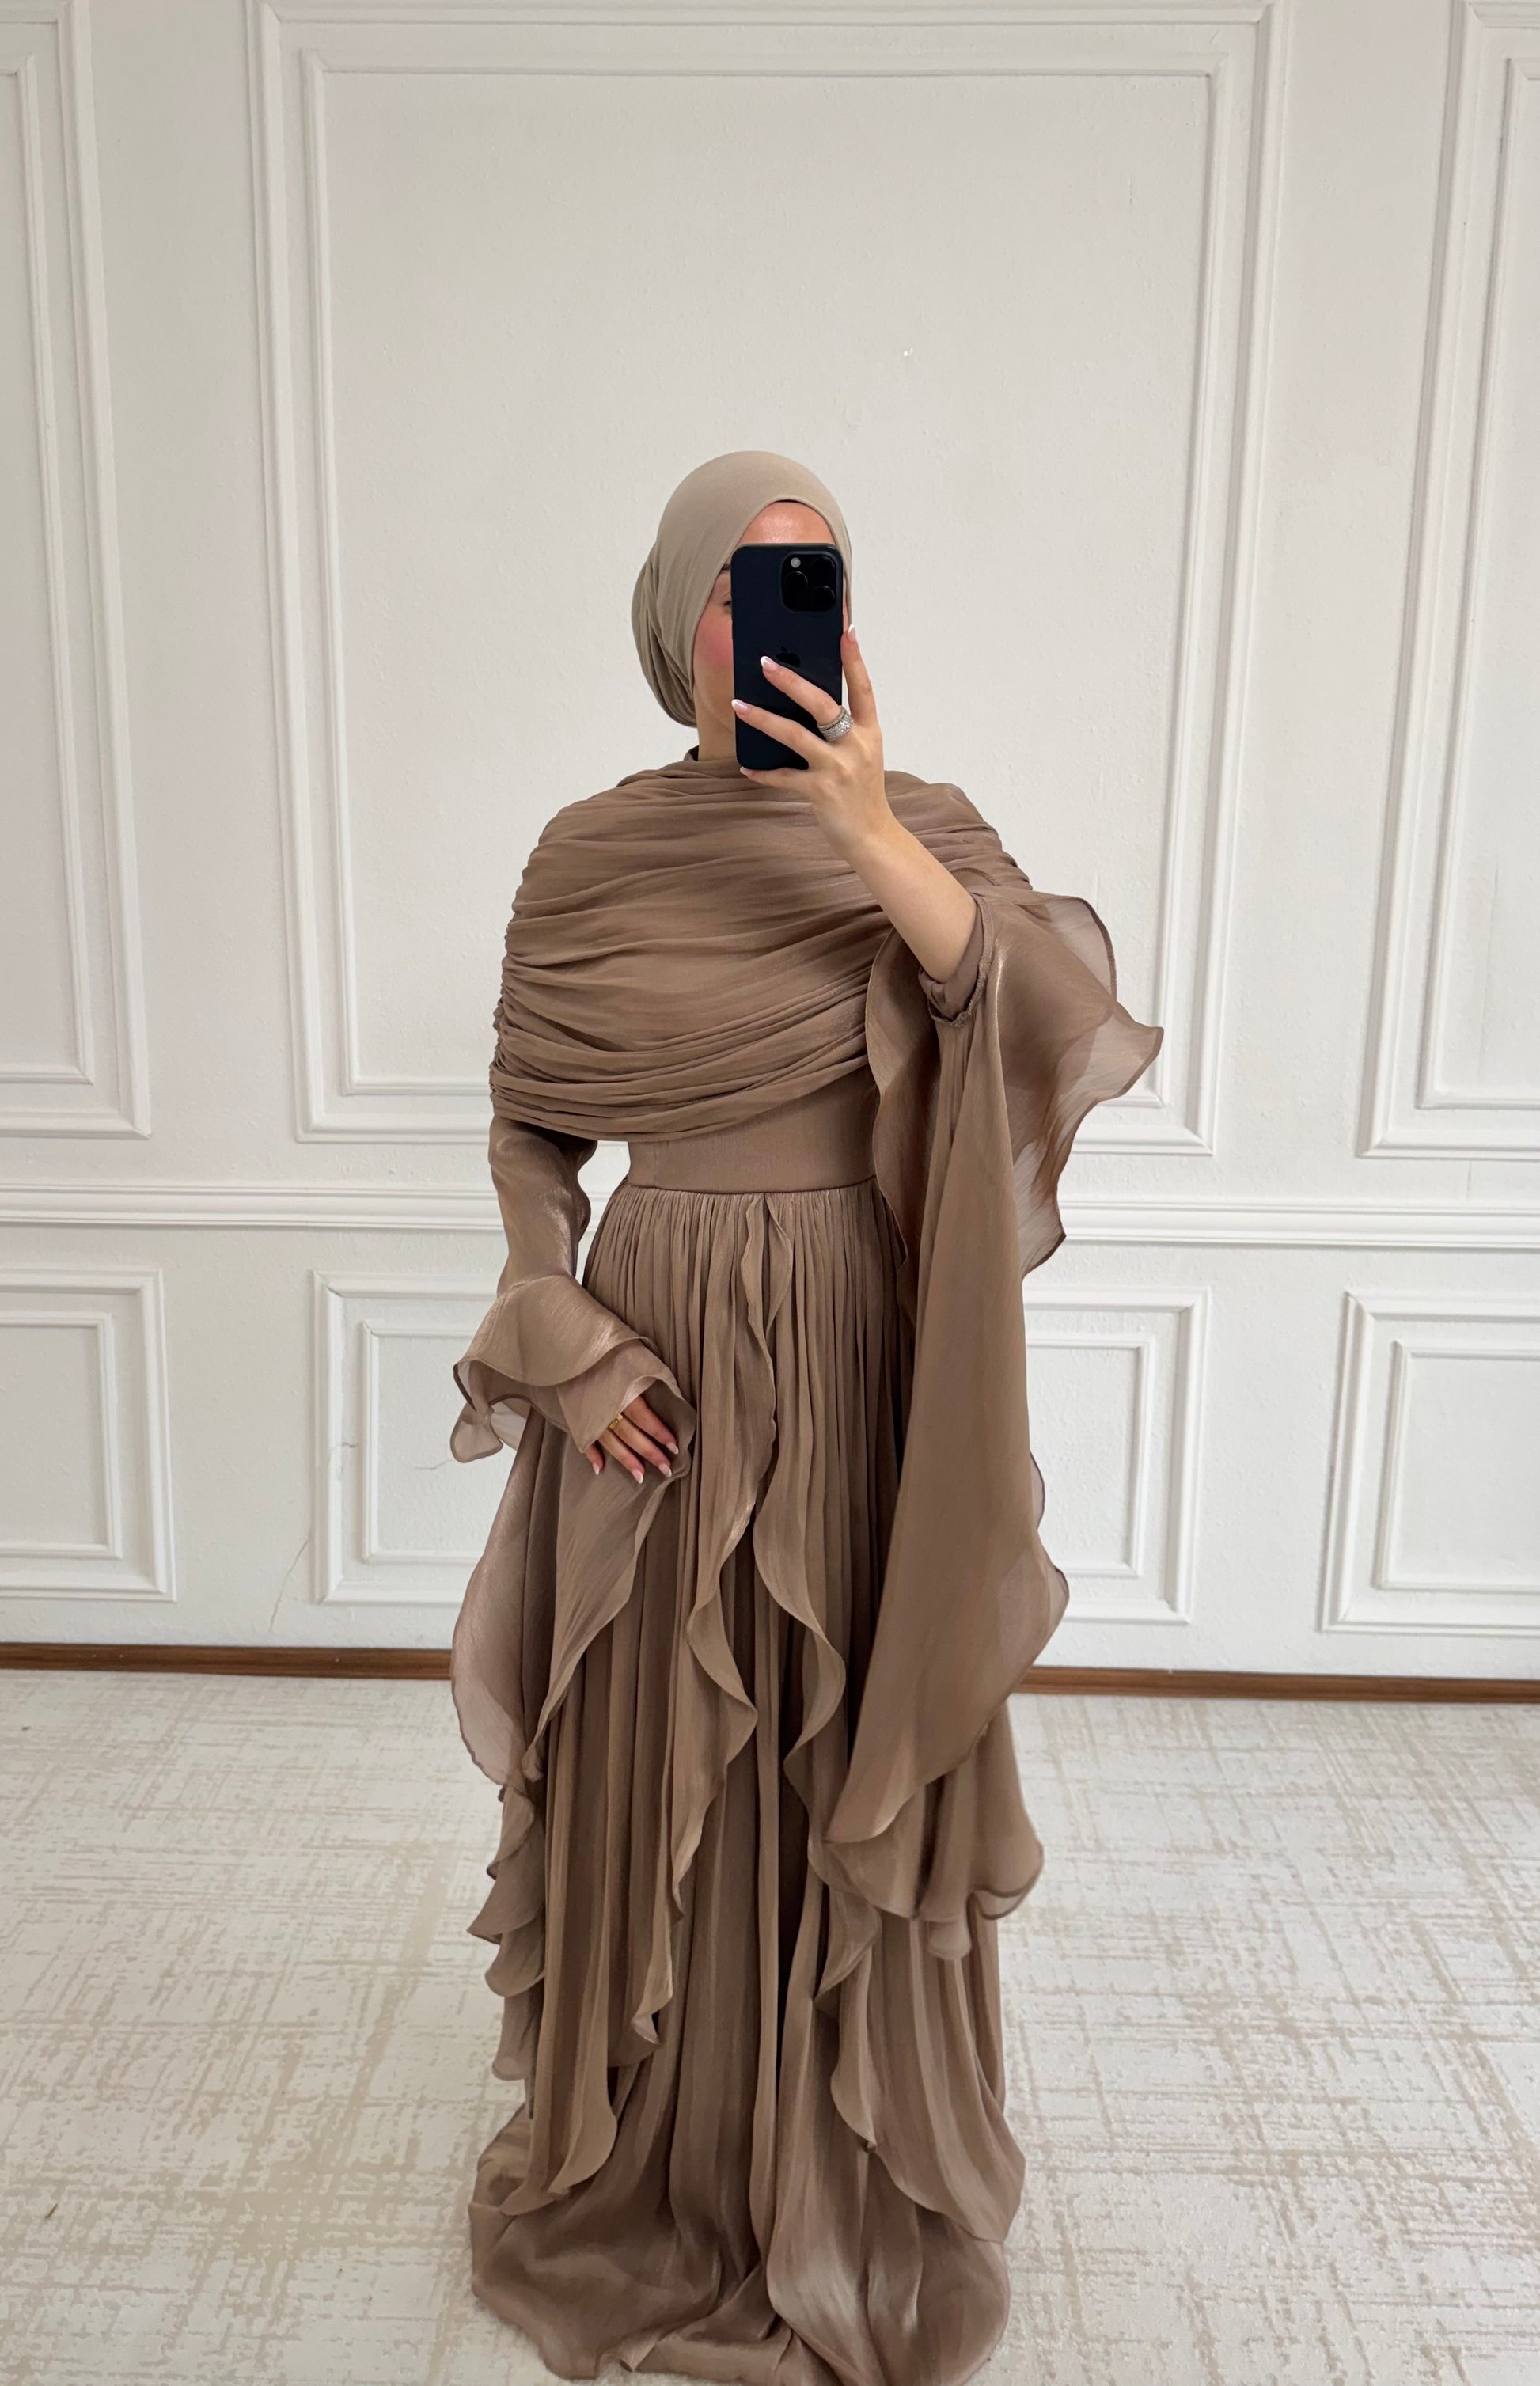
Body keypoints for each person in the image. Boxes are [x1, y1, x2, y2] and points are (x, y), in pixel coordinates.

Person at [447, 449, 1163, 2386]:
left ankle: (840, 2164)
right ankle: (668, 2161)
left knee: (843, 1723)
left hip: (858, 1346)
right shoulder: (587, 857)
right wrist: (562, 1333)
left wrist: (864, 829)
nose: (788, 617)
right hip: (663, 1357)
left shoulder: (923, 822)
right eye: (746, 583)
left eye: (819, 578)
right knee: (668, 1739)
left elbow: (1030, 1020)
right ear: (675, 616)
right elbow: (530, 1132)